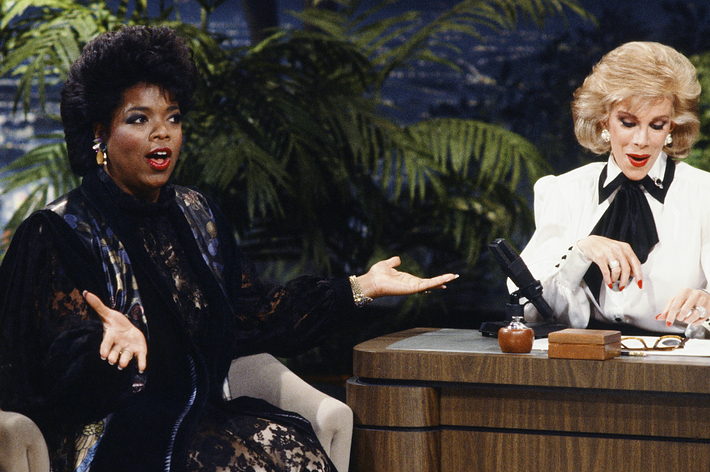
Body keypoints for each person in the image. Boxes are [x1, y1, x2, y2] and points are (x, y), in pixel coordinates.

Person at [0, 26, 457, 472]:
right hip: (111, 437)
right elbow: (46, 379)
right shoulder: (58, 233)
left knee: (295, 454)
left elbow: (255, 316)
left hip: (197, 420)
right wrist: (107, 352)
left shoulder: (196, 214)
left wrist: (360, 288)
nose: (162, 133)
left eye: (173, 117)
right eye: (139, 119)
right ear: (100, 134)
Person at [510, 41, 710, 338]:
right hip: (581, 361)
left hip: (675, 364)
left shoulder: (703, 194)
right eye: (628, 122)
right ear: (604, 119)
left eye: (657, 125)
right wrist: (580, 253)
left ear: (672, 128)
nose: (642, 140)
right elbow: (533, 310)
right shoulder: (565, 192)